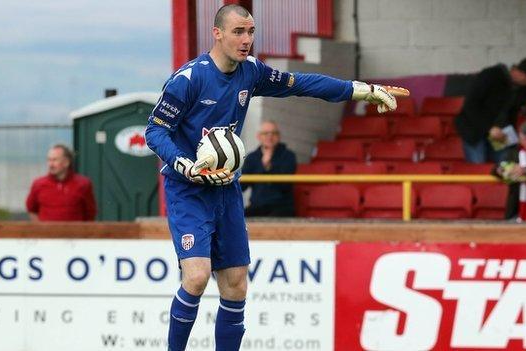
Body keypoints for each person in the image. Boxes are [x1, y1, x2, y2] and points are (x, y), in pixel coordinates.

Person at [144, 5, 397, 350]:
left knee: (235, 284)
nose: (246, 40)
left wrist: (359, 90)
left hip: (226, 189)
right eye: (238, 32)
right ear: (217, 33)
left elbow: (302, 84)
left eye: (250, 32)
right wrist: (185, 163)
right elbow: (156, 132)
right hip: (187, 188)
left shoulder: (251, 73)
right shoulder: (189, 79)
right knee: (198, 275)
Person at [455, 57, 526, 164]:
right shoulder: (491, 75)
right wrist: (490, 128)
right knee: (478, 165)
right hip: (475, 131)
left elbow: (512, 113)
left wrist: (512, 137)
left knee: (506, 164)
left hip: (501, 133)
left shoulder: (522, 89)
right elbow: (471, 106)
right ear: (521, 74)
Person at [492, 119, 526, 222]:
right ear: (521, 139)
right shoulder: (512, 155)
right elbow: (496, 169)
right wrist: (502, 170)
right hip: (516, 211)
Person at [26, 144, 96, 221]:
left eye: (54, 160)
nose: (50, 164)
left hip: (75, 233)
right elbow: (31, 210)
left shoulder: (83, 184)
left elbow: (90, 213)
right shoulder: (38, 184)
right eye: (49, 160)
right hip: (46, 233)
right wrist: (41, 229)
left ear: (66, 162)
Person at [241, 120, 296, 217]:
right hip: (257, 207)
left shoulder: (288, 156)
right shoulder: (252, 157)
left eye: (273, 133)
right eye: (266, 133)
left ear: (278, 136)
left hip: (281, 207)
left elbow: (286, 186)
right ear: (259, 137)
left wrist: (268, 166)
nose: (270, 137)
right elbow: (242, 186)